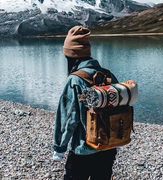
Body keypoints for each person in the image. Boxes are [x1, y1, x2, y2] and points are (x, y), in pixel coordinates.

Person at [53, 26, 120, 180]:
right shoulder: (108, 75)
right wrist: (117, 139)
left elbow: (68, 117)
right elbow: (118, 107)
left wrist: (59, 147)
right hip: (108, 147)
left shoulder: (75, 80)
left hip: (83, 149)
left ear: (71, 56)